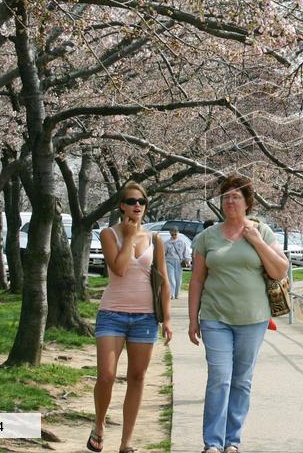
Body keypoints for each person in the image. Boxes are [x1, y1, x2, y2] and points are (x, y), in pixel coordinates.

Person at [189, 174, 289, 453]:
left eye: (236, 196)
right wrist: (192, 319)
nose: (230, 201)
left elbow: (280, 270)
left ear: (247, 202)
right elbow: (196, 280)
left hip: (253, 319)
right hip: (215, 317)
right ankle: (212, 442)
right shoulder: (206, 237)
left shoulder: (263, 232)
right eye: (226, 196)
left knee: (241, 380)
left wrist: (256, 240)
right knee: (219, 377)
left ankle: (232, 440)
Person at [89, 181, 172, 453]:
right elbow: (120, 269)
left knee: (137, 377)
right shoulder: (108, 234)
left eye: (142, 202)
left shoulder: (155, 239)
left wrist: (167, 319)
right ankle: (99, 426)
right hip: (111, 314)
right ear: (122, 206)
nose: (138, 206)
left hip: (145, 317)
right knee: (107, 376)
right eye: (132, 201)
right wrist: (127, 237)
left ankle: (126, 442)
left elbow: (163, 281)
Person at [164, 227, 191, 299]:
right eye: (172, 234)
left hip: (179, 262)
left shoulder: (182, 242)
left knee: (178, 279)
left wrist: (187, 260)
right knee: (171, 278)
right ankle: (171, 294)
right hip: (169, 262)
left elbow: (186, 252)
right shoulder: (167, 243)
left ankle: (176, 294)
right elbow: (163, 253)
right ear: (170, 234)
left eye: (175, 234)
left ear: (178, 233)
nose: (174, 236)